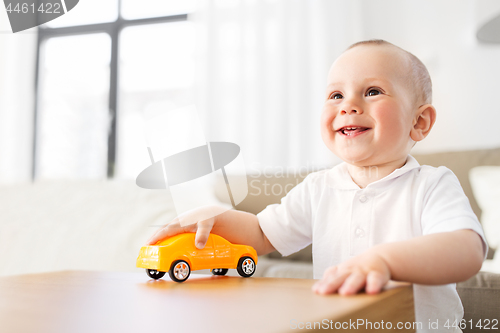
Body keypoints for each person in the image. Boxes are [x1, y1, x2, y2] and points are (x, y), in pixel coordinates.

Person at [146, 39, 487, 332]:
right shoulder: (319, 188)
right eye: (335, 95)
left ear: (419, 121)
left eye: (372, 91)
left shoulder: (431, 184)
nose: (348, 105)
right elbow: (263, 234)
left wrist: (384, 261)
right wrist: (216, 216)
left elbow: (466, 251)